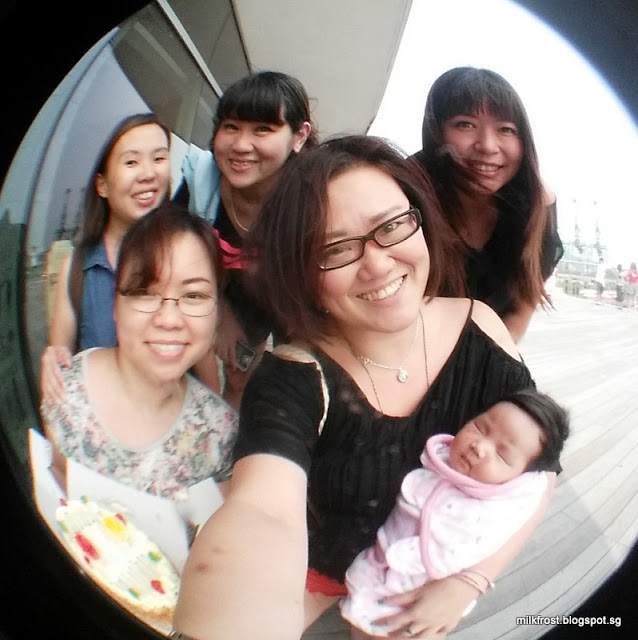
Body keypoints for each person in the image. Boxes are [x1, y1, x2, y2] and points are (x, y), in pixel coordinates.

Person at [173, 135, 555, 640]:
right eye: (335, 248)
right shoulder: (293, 376)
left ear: (421, 220)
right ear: (302, 273)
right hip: (312, 582)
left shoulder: (480, 327)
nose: (377, 264)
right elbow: (262, 510)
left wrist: (469, 581)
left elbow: (537, 467)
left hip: (414, 586)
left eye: (391, 226)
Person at [40, 202, 237, 498]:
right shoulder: (67, 392)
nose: (169, 320)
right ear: (115, 304)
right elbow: (54, 480)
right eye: (145, 292)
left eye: (194, 295)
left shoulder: (219, 432)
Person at [340, 389, 569, 638]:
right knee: (361, 629)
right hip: (377, 569)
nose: (480, 446)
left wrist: (469, 583)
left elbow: (538, 485)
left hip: (426, 595)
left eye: (502, 454)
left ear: (519, 478)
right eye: (480, 427)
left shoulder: (498, 507)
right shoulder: (438, 461)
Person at [173, 70, 317, 407]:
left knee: (265, 378)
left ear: (299, 136)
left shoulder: (310, 201)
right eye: (231, 127)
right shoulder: (202, 182)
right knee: (200, 374)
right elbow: (173, 252)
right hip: (215, 291)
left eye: (263, 129)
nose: (240, 145)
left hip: (280, 298)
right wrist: (219, 312)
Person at [412, 67, 564, 342]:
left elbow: (518, 316)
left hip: (486, 357)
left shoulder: (533, 208)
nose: (488, 146)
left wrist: (487, 364)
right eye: (465, 124)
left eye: (506, 129)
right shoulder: (404, 196)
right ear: (436, 131)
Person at [41, 113, 172, 403]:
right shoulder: (78, 267)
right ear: (102, 185)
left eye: (159, 158)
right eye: (131, 162)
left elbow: (203, 367)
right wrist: (53, 362)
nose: (148, 173)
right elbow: (61, 363)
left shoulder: (182, 256)